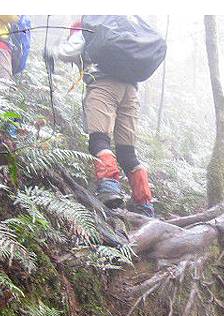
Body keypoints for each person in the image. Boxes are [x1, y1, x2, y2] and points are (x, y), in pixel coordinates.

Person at [43, 17, 155, 218]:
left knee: (99, 140)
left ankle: (109, 188)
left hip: (103, 85)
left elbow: (70, 50)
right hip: (130, 91)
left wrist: (51, 51)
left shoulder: (86, 27)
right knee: (128, 152)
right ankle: (144, 203)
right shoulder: (117, 28)